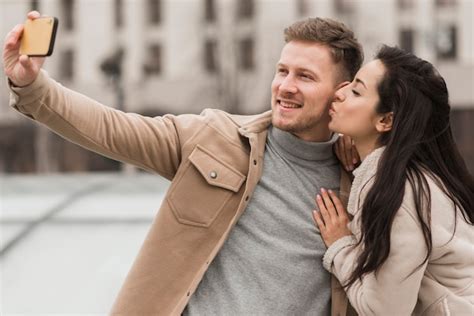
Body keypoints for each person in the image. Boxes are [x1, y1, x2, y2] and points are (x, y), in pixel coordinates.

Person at [3, 11, 363, 315]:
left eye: (305, 76)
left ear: (342, 91)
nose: (285, 86)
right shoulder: (215, 138)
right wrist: (34, 87)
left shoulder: (366, 183)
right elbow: (109, 129)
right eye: (282, 71)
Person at [312, 45, 474, 315]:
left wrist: (340, 245)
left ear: (386, 120)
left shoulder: (399, 192)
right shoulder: (407, 174)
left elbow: (385, 310)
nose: (338, 94)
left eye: (355, 90)